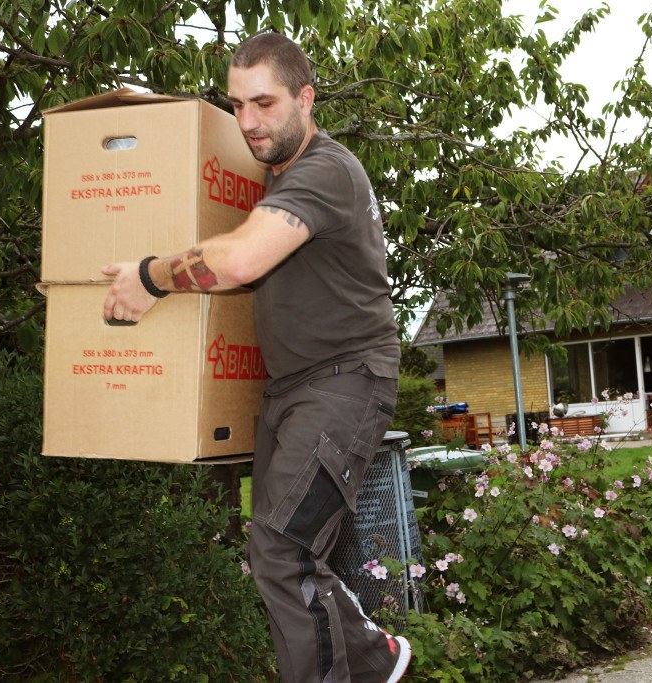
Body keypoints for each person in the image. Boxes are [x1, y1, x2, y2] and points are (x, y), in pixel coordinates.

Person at [101, 31, 410, 683]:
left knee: (283, 548)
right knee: (284, 550)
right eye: (237, 105)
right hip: (290, 387)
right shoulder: (278, 175)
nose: (247, 121)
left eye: (263, 103)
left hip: (347, 380)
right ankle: (371, 655)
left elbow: (240, 259)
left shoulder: (325, 170)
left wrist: (151, 274)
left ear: (306, 97)